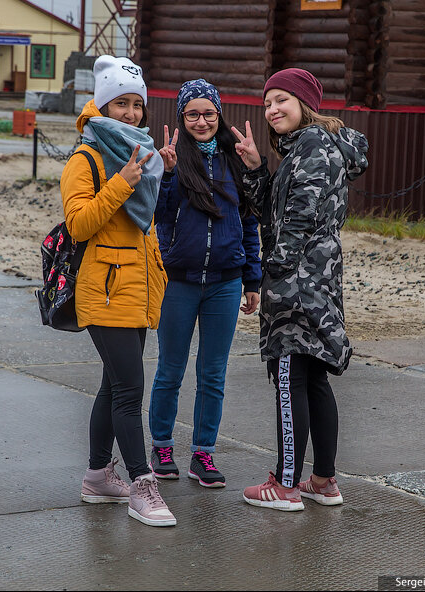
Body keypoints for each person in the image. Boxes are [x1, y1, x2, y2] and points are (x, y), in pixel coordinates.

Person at [230, 68, 369, 511]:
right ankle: (324, 481)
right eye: (267, 103)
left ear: (305, 104)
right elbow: (277, 205)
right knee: (313, 378)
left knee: (290, 377)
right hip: (317, 278)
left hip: (298, 282)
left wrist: (274, 268)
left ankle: (286, 484)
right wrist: (255, 168)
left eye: (281, 101)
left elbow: (300, 216)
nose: (272, 110)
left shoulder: (311, 145)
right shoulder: (308, 147)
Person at [60, 55, 175, 527]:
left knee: (112, 387)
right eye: (120, 104)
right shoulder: (85, 157)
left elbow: (143, 224)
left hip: (137, 288)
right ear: (102, 105)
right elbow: (79, 225)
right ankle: (142, 486)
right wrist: (123, 183)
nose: (130, 113)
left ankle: (97, 477)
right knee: (130, 391)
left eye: (136, 105)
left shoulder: (140, 152)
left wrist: (156, 172)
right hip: (105, 291)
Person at [147, 79, 262, 487]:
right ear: (181, 116)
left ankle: (203, 455)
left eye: (208, 113)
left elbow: (249, 223)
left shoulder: (234, 160)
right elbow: (156, 216)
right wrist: (165, 174)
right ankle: (162, 445)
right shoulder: (172, 160)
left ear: (219, 115)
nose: (201, 121)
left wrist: (253, 279)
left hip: (225, 284)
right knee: (170, 370)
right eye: (192, 114)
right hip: (177, 282)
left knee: (212, 373)